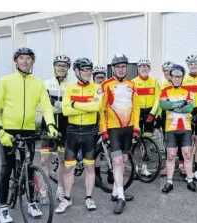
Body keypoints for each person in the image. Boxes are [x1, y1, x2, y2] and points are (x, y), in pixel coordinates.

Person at [0, 47, 59, 223]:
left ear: (33, 62)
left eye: (29, 58)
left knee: (28, 168)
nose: (25, 61)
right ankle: (3, 208)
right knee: (6, 170)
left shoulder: (38, 84)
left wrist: (51, 124)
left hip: (28, 130)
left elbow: (46, 107)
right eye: (21, 58)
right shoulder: (5, 81)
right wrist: (0, 130)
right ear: (16, 61)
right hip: (8, 131)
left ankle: (32, 202)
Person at [55, 58, 101, 214]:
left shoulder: (97, 88)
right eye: (85, 69)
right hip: (72, 131)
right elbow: (65, 111)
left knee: (89, 166)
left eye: (90, 69)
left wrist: (74, 105)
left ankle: (89, 198)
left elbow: (96, 106)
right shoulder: (69, 88)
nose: (88, 72)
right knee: (69, 168)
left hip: (90, 131)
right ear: (76, 72)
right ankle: (66, 199)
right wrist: (86, 108)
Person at [98, 54, 141, 214]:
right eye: (118, 67)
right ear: (113, 68)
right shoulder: (105, 85)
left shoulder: (132, 85)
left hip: (128, 129)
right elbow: (102, 110)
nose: (121, 69)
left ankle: (116, 191)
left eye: (124, 66)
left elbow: (136, 108)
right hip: (113, 129)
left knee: (123, 160)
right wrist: (103, 130)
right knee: (117, 160)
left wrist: (136, 128)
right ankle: (121, 197)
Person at [159, 64, 197, 193]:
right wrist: (180, 104)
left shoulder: (188, 91)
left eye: (179, 77)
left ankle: (190, 180)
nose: (177, 79)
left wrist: (172, 105)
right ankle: (169, 182)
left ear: (182, 77)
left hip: (186, 128)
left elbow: (189, 108)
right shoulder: (165, 90)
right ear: (170, 77)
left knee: (187, 155)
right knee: (171, 156)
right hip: (171, 128)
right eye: (174, 77)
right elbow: (163, 105)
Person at [40, 55, 71, 203]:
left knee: (62, 159)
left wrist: (62, 105)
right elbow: (44, 100)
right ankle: (43, 190)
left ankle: (60, 188)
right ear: (54, 66)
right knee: (45, 160)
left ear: (68, 68)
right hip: (48, 122)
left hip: (65, 124)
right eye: (59, 65)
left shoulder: (71, 85)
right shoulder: (46, 83)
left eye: (64, 66)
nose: (61, 68)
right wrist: (55, 103)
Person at [131, 59, 160, 178]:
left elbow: (158, 99)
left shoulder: (154, 82)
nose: (144, 68)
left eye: (146, 66)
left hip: (149, 114)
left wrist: (152, 114)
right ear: (138, 68)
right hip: (137, 114)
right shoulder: (132, 82)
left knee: (147, 142)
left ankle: (144, 168)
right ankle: (136, 168)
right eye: (142, 66)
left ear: (149, 69)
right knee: (136, 143)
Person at [182, 55, 197, 181]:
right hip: (187, 112)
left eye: (195, 64)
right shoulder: (183, 80)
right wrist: (187, 113)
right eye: (191, 64)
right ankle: (188, 170)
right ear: (188, 66)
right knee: (188, 144)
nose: (193, 66)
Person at [158, 61, 176, 177]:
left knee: (180, 139)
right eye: (164, 70)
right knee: (167, 140)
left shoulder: (179, 81)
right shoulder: (162, 84)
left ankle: (181, 164)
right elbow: (159, 101)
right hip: (166, 115)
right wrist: (159, 115)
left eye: (168, 70)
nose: (166, 73)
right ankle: (167, 164)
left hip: (178, 114)